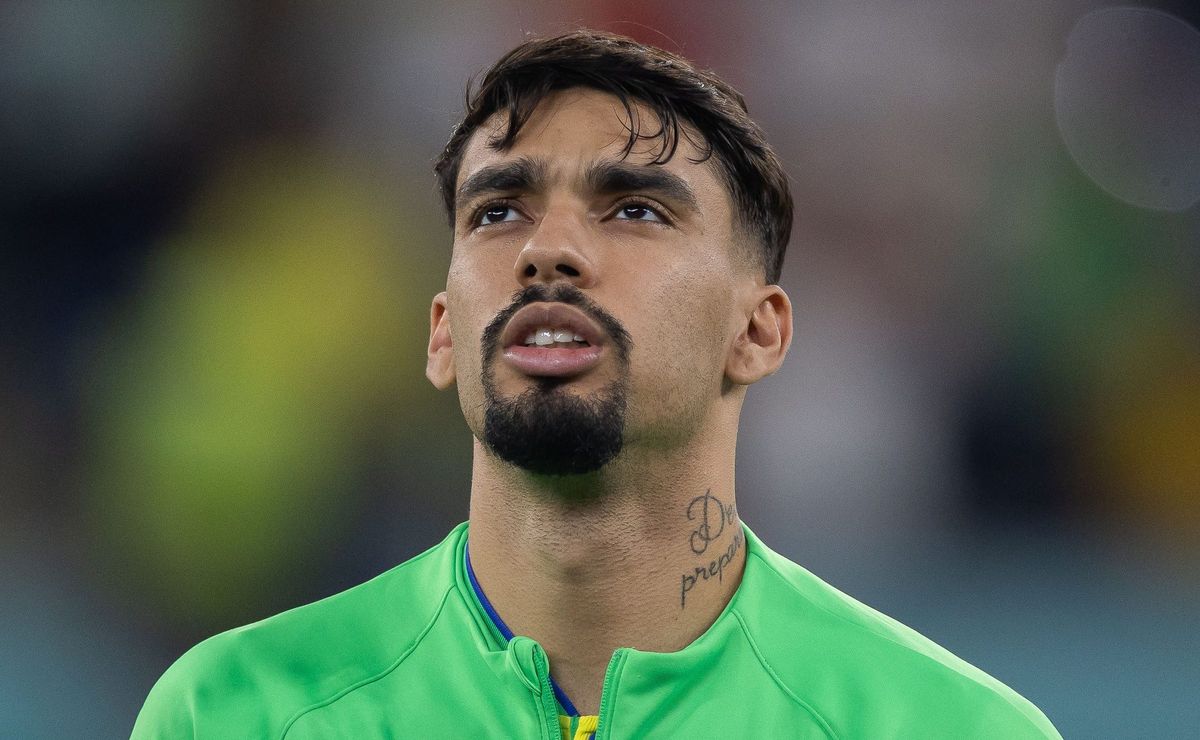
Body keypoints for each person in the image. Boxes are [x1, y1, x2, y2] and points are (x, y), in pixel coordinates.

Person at [132, 30, 1061, 739]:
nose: (549, 251)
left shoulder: (947, 728)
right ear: (443, 333)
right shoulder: (236, 713)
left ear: (757, 331)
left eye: (634, 209)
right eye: (499, 211)